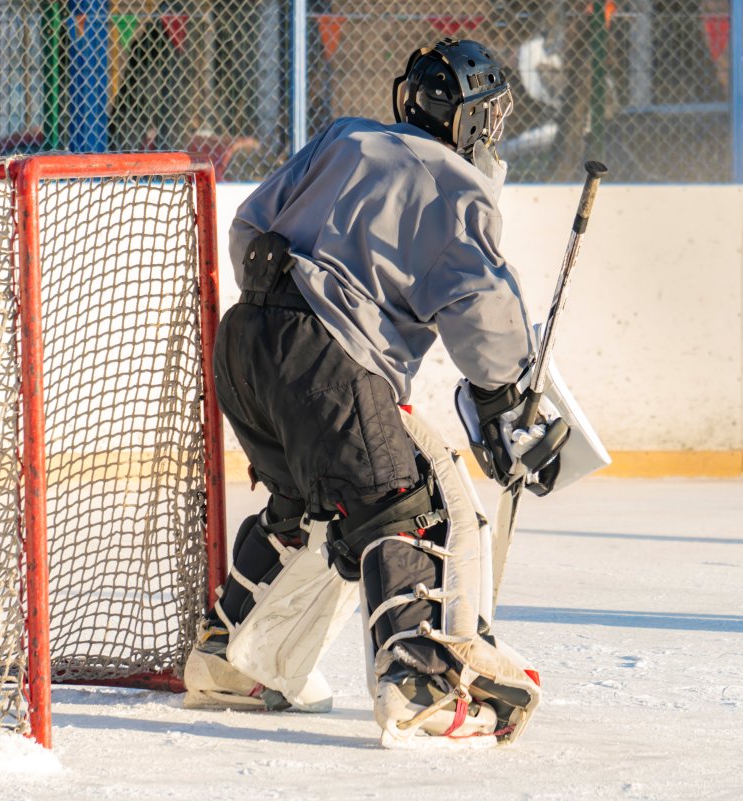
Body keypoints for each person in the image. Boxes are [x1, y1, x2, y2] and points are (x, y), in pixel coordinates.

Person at [182, 38, 578, 748]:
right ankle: (416, 681)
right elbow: (484, 312)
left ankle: (225, 652)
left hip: (243, 343)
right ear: (471, 122)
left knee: (303, 507)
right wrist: (505, 398)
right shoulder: (458, 187)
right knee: (401, 503)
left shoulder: (344, 137)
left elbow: (248, 227)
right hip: (329, 362)